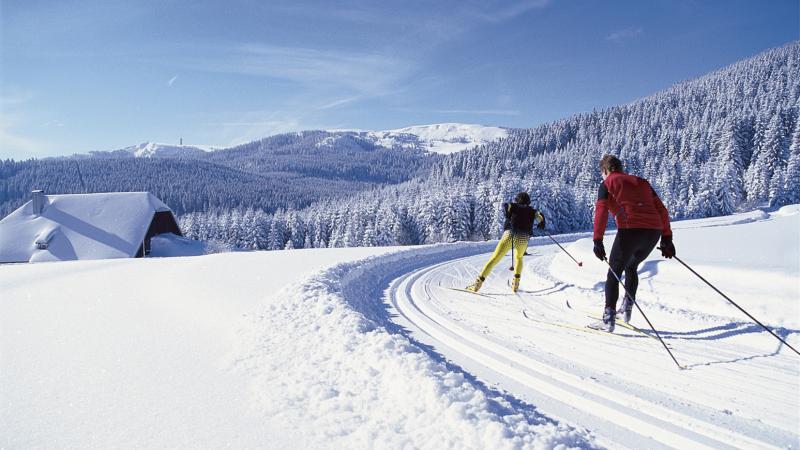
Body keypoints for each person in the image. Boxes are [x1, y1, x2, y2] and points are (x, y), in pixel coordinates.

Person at [588, 155, 675, 332]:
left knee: (614, 272)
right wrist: (667, 238)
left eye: (602, 173)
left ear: (605, 171)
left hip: (629, 231)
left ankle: (608, 319)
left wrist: (597, 240)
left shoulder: (606, 184)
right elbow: (661, 209)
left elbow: (601, 211)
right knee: (631, 266)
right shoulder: (642, 182)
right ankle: (626, 308)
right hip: (653, 232)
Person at [467, 192, 546, 293]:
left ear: (517, 200)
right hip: (523, 237)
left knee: (494, 259)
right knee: (519, 258)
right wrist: (542, 223)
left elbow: (505, 205)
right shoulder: (532, 211)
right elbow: (541, 217)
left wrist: (507, 214)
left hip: (509, 234)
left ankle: (477, 283)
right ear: (528, 201)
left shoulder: (513, 206)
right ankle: (516, 284)